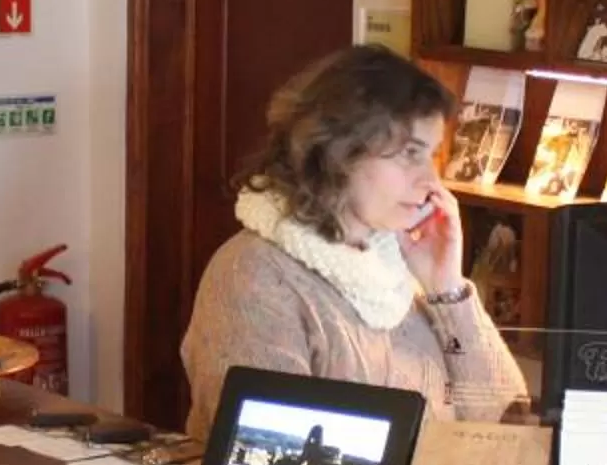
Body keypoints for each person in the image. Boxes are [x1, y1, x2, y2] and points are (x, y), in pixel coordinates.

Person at [180, 45, 529, 437]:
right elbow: (270, 458)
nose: (431, 181)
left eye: (431, 155)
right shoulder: (252, 275)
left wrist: (446, 289)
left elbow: (508, 425)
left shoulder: (403, 269)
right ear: (339, 152)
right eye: (410, 154)